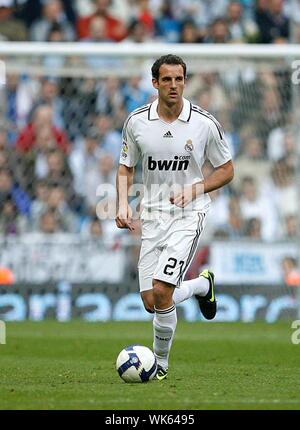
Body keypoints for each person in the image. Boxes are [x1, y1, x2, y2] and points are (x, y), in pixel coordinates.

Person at [115, 54, 234, 380]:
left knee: (162, 288)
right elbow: (125, 166)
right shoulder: (137, 121)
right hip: (152, 215)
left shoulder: (204, 123)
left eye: (178, 79)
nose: (173, 85)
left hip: (189, 213)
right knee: (152, 302)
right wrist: (123, 203)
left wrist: (196, 189)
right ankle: (199, 286)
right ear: (155, 83)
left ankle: (160, 366)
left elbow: (226, 170)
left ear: (185, 81)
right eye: (166, 79)